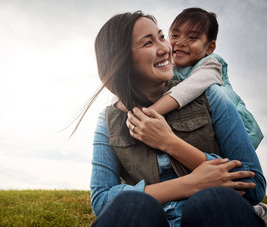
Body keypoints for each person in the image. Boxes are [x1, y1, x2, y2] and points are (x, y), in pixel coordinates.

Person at [85, 11, 266, 226]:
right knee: (130, 205)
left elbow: (253, 185)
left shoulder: (209, 95)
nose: (166, 48)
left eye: (161, 37)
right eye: (148, 43)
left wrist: (169, 142)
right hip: (151, 218)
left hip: (209, 216)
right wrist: (192, 183)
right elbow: (101, 200)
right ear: (122, 59)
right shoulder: (108, 120)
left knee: (213, 200)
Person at [137, 8, 264, 150]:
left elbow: (188, 89)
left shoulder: (211, 64)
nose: (180, 42)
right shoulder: (170, 66)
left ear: (209, 47)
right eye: (175, 35)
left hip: (241, 130)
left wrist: (148, 114)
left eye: (192, 38)